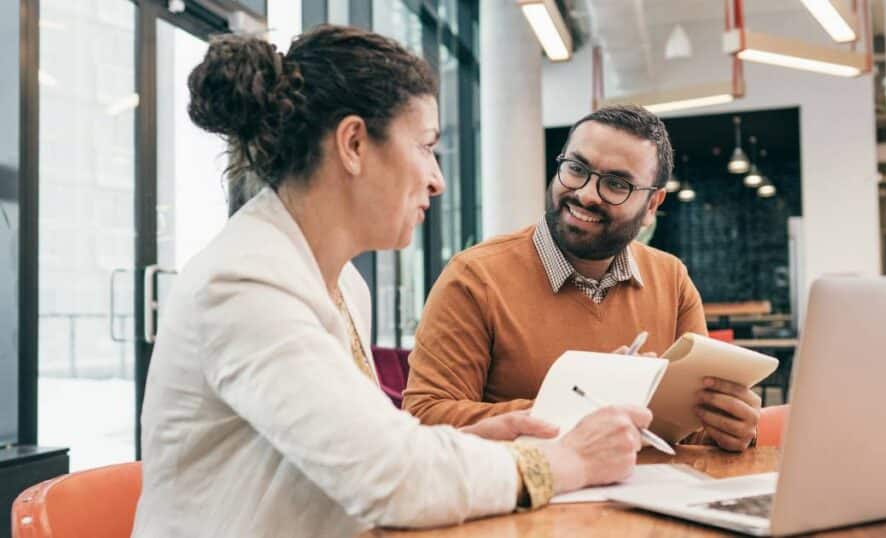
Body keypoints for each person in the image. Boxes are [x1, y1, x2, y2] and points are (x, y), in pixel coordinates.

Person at [131, 26, 652, 538]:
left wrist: (479, 444)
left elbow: (356, 451)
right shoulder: (244, 283)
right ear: (354, 143)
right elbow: (389, 478)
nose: (437, 179)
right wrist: (564, 461)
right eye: (426, 147)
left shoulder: (340, 284)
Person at [403, 105, 761, 452]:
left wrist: (728, 428)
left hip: (650, 501)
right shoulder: (474, 277)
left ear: (652, 206)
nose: (586, 194)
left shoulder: (672, 279)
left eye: (617, 184)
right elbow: (426, 417)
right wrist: (582, 404)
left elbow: (685, 432)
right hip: (533, 504)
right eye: (576, 168)